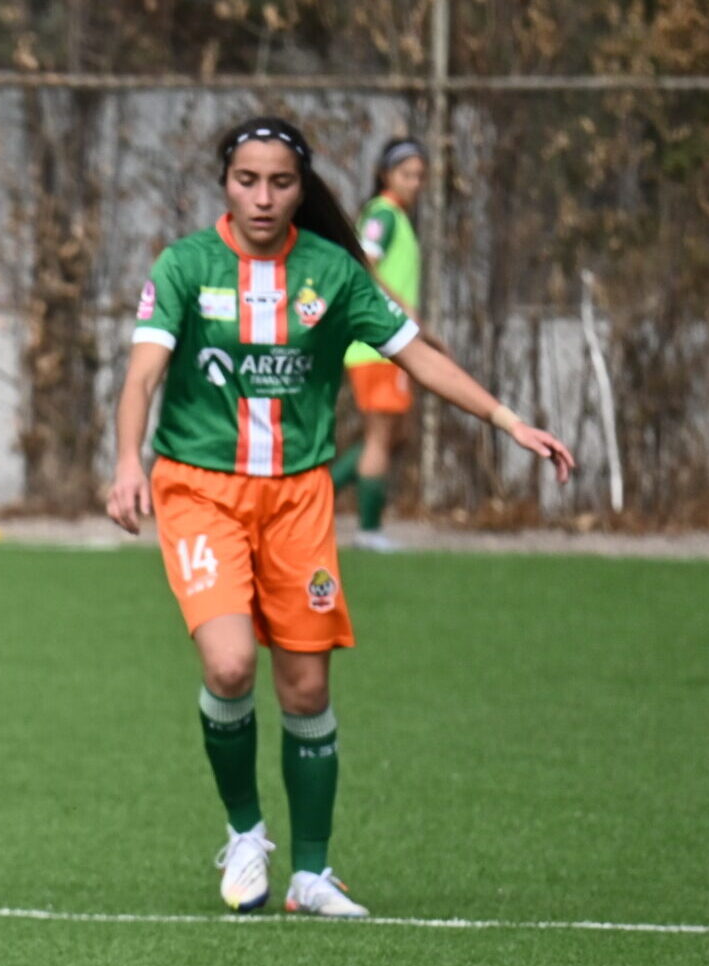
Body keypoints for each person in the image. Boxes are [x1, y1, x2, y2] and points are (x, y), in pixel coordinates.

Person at [104, 116, 571, 917]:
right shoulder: (184, 266)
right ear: (225, 180)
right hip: (200, 490)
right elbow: (143, 373)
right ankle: (246, 832)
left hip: (298, 498)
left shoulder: (333, 273)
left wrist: (506, 419)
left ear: (303, 187)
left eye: (280, 182)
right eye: (247, 180)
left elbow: (417, 353)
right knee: (228, 667)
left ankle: (311, 874)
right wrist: (124, 462)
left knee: (308, 689)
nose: (263, 196)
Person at [331, 136, 430, 551]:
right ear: (385, 175)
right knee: (379, 437)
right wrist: (401, 305)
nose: (415, 183)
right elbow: (362, 263)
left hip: (387, 344)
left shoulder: (399, 219)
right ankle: (368, 530)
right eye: (407, 174)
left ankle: (317, 494)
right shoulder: (383, 216)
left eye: (420, 175)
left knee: (393, 434)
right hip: (376, 345)